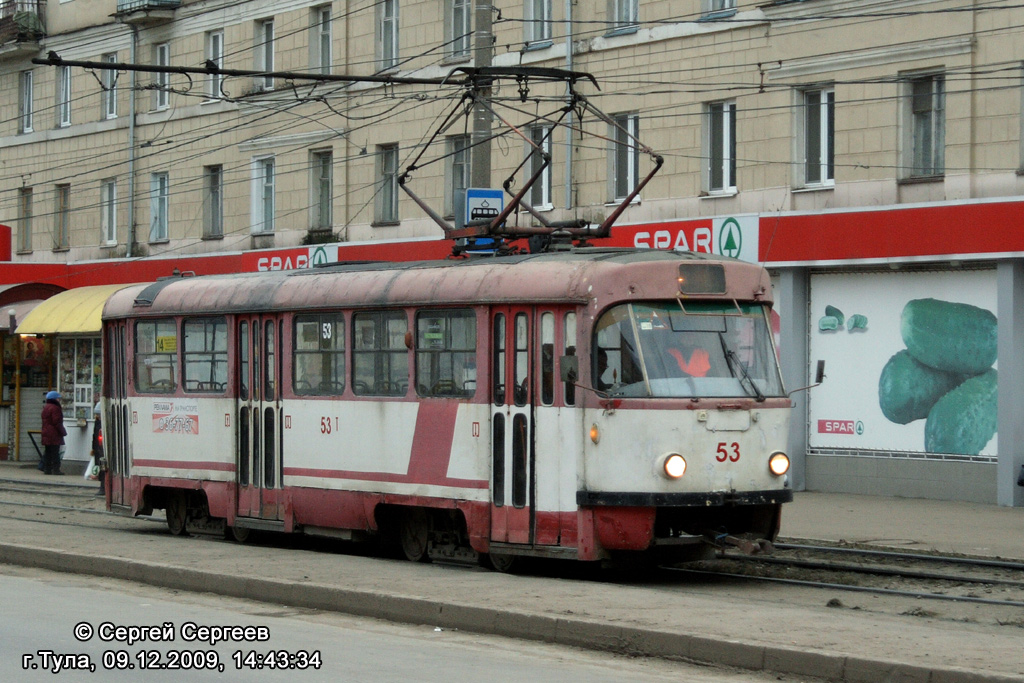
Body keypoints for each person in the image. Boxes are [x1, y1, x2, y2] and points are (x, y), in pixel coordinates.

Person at [41, 390, 66, 476]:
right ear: (55, 399)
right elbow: (57, 422)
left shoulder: (46, 407)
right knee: (55, 452)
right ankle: (56, 470)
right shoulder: (55, 408)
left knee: (48, 452)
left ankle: (47, 469)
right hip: (54, 433)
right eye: (58, 398)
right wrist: (63, 432)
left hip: (46, 432)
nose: (59, 400)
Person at [92, 403, 106, 496]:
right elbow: (95, 438)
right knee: (102, 468)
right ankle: (102, 487)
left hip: (100, 450)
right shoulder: (99, 423)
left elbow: (95, 438)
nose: (98, 416)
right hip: (99, 450)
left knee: (103, 468)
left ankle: (103, 488)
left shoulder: (99, 424)